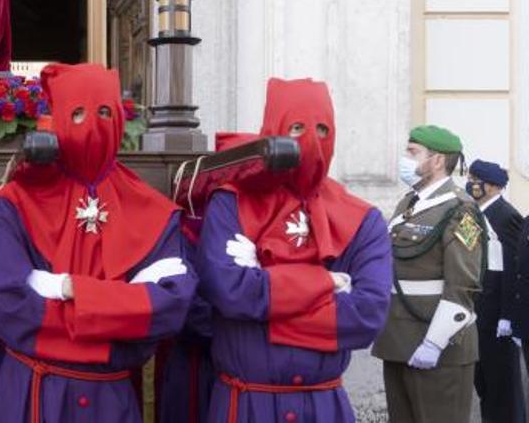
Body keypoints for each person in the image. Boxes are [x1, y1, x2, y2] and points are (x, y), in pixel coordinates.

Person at [0, 62, 196, 422]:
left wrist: (63, 287)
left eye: (104, 112)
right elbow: (9, 311)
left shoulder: (155, 212)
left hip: (110, 400)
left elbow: (168, 308)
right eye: (77, 113)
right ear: (59, 118)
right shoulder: (15, 205)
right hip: (33, 395)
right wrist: (121, 307)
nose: (92, 126)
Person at [197, 78, 392, 422]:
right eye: (297, 127)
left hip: (323, 406)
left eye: (322, 129)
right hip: (247, 406)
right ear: (273, 130)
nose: (311, 142)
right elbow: (229, 292)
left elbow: (367, 316)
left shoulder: (364, 220)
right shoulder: (231, 203)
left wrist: (265, 293)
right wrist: (327, 285)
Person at [374, 124, 484, 423]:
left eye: (412, 152)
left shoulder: (460, 210)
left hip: (437, 341)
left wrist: (434, 342)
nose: (404, 159)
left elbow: (463, 284)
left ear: (437, 161)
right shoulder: (408, 203)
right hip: (398, 338)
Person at [466, 159, 524, 422]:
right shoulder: (473, 212)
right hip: (476, 310)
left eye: (475, 179)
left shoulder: (506, 215)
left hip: (497, 315)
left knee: (503, 386)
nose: (470, 184)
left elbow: (515, 269)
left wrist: (508, 314)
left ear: (490, 186)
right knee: (484, 383)